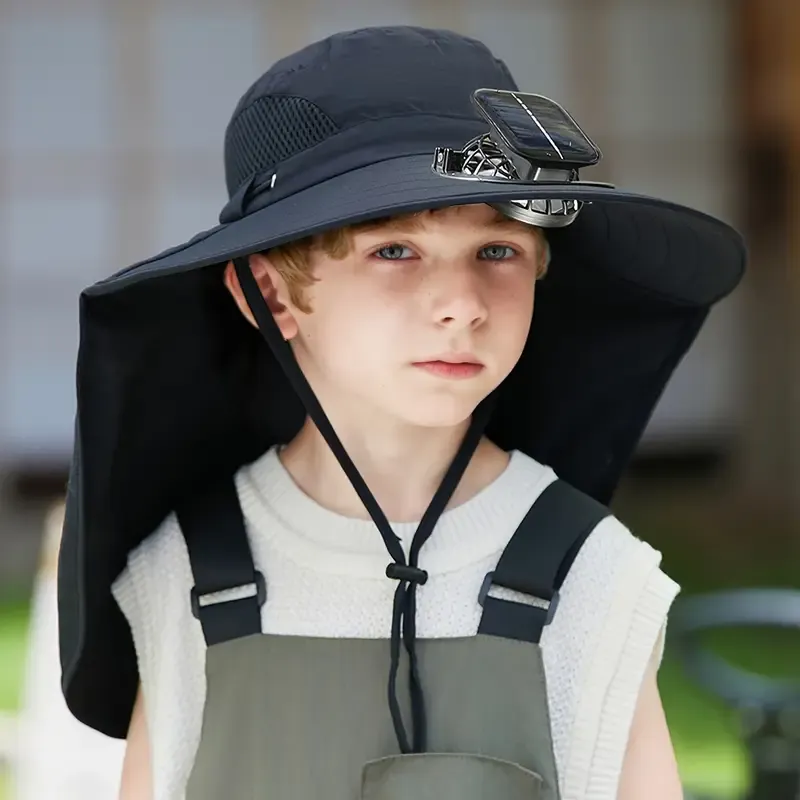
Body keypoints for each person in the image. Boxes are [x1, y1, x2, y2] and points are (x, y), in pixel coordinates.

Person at [56, 25, 746, 800]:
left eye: (498, 251)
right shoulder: (184, 575)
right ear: (272, 294)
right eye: (394, 250)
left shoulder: (592, 572)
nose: (460, 306)